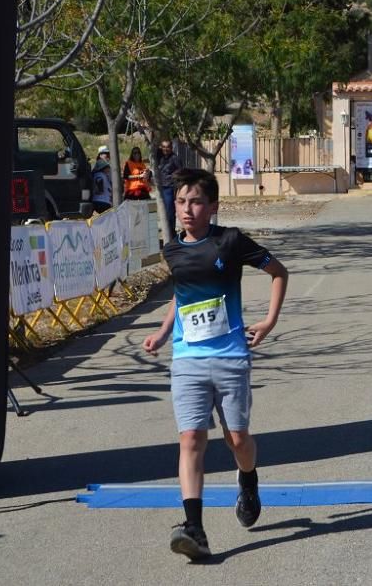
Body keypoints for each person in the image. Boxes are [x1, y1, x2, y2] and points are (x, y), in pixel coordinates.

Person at [143, 168, 289, 561]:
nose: (186, 210)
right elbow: (182, 296)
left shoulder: (230, 241)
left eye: (194, 202)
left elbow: (278, 272)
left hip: (230, 359)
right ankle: (194, 527)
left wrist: (269, 322)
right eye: (180, 202)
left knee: (237, 440)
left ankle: (249, 479)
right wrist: (161, 333)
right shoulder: (172, 249)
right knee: (191, 439)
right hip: (187, 359)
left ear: (212, 207)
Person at [155, 139, 182, 236]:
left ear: (171, 148)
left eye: (168, 147)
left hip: (169, 187)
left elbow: (180, 172)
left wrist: (172, 178)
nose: (166, 149)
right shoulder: (159, 156)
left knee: (170, 211)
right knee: (163, 211)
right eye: (164, 147)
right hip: (160, 187)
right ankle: (167, 232)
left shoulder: (175, 158)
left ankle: (171, 233)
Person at [91, 146, 113, 213]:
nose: (108, 156)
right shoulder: (102, 164)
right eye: (106, 154)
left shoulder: (97, 170)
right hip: (103, 201)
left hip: (102, 200)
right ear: (100, 155)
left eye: (108, 154)